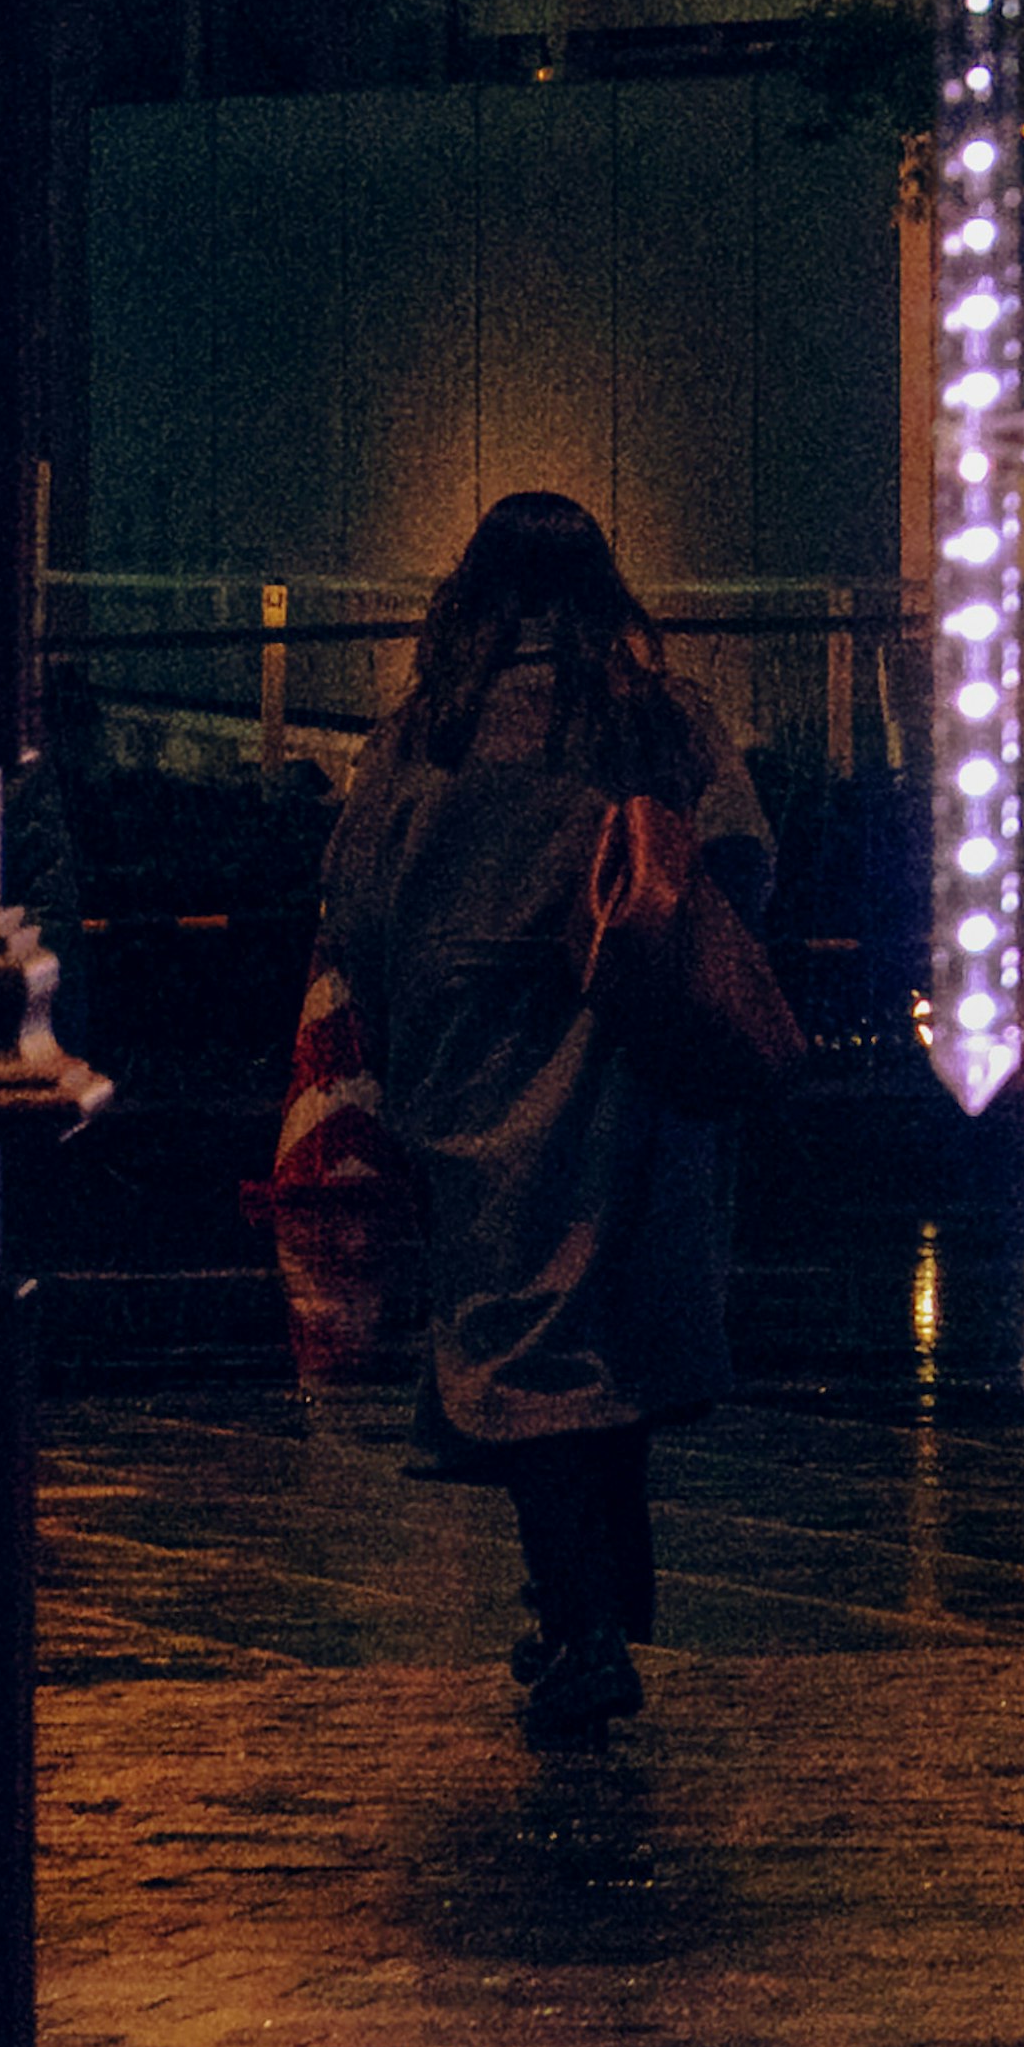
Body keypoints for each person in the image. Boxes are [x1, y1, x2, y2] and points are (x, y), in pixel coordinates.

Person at [315, 489, 771, 1746]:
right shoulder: (654, 722)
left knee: (524, 1340)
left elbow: (354, 900)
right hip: (632, 1053)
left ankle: (582, 1625)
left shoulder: (427, 734)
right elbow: (741, 858)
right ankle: (602, 1605)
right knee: (609, 1329)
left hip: (477, 1066)